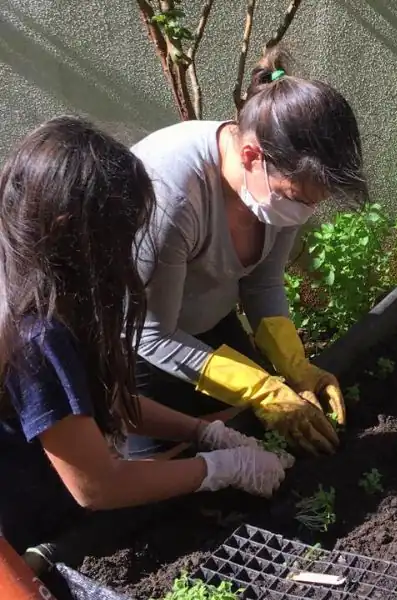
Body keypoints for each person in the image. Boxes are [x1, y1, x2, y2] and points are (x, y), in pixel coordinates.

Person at [0, 117, 293, 555]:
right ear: (73, 231)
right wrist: (219, 469)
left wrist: (203, 432)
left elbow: (99, 397)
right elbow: (96, 485)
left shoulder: (43, 271)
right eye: (121, 234)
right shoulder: (35, 332)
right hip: (26, 523)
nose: (129, 247)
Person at [130, 48, 364, 457]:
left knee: (246, 434)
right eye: (299, 198)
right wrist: (260, 389)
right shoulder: (171, 198)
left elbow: (262, 283)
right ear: (251, 157)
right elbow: (154, 334)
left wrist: (296, 368)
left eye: (313, 203)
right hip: (135, 344)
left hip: (208, 318)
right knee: (163, 466)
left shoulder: (279, 184)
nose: (303, 213)